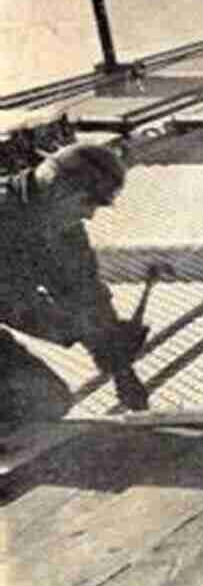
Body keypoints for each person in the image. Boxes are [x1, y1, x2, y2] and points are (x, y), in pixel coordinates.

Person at [0, 141, 149, 423]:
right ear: (59, 187)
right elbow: (14, 304)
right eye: (88, 201)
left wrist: (119, 364)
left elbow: (85, 292)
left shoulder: (62, 226)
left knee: (46, 399)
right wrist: (78, 330)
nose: (91, 214)